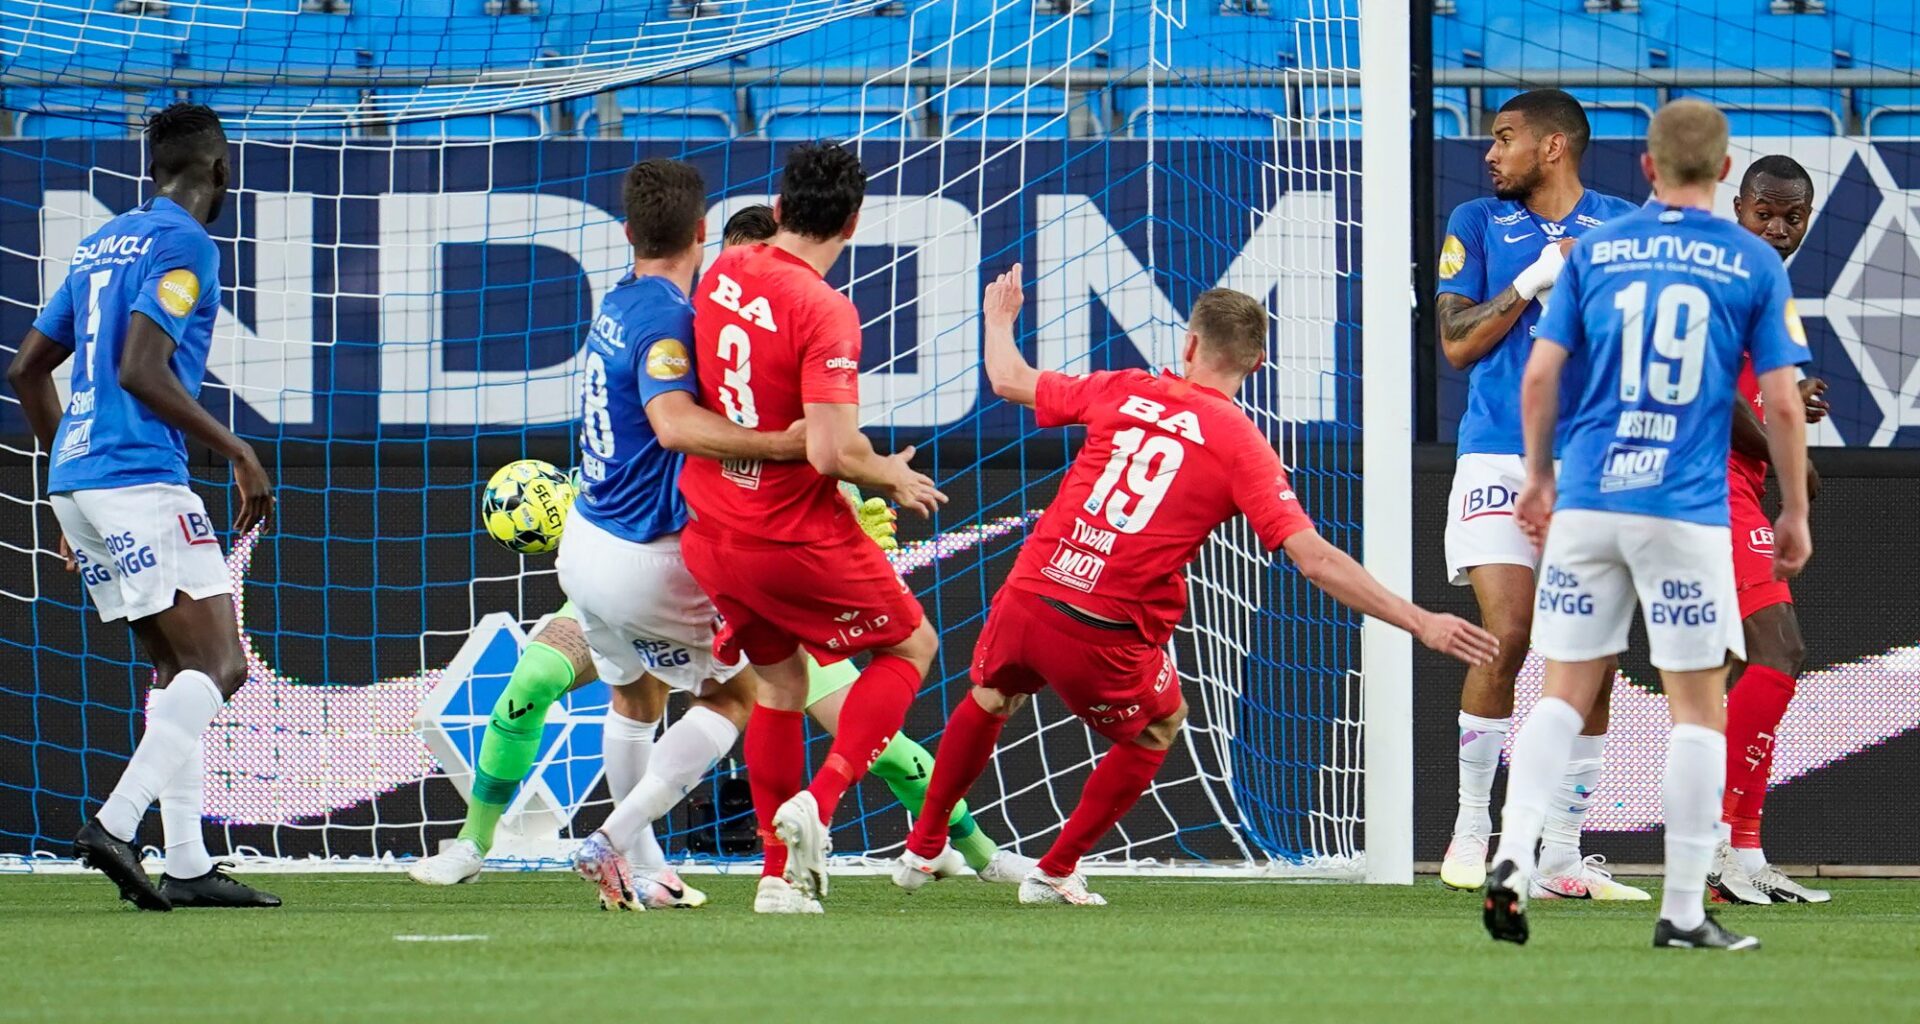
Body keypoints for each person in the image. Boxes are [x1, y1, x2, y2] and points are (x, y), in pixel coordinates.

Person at [893, 269, 1500, 905]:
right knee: (1161, 725)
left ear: (1189, 345)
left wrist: (999, 317)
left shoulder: (1125, 387)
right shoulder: (1244, 445)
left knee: (991, 696)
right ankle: (1054, 870)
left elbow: (1008, 379)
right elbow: (1315, 560)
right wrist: (1420, 621)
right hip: (1101, 627)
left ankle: (923, 845)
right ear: (1258, 364)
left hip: (1029, 591)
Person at [1486, 99, 1812, 950]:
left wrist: (1539, 478)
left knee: (1563, 692)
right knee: (1698, 709)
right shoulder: (1748, 261)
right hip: (1688, 503)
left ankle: (1513, 857)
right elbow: (1779, 400)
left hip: (1592, 495)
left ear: (1646, 168)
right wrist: (1798, 508)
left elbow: (1540, 376)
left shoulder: (1595, 249)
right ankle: (1681, 907)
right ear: (1726, 169)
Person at [6, 102, 278, 910]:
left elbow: (26, 370)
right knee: (222, 666)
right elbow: (140, 369)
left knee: (176, 669)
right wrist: (238, 450)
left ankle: (188, 863)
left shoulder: (100, 243)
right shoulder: (186, 243)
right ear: (218, 167)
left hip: (81, 482)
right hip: (138, 478)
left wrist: (66, 490)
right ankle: (117, 823)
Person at [677, 141, 947, 913]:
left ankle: (774, 879)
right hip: (789, 534)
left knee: (783, 683)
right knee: (912, 644)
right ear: (854, 223)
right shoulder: (826, 309)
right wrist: (888, 471)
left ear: (783, 209)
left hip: (712, 531)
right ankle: (820, 803)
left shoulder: (725, 269)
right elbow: (830, 451)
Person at [1433, 88, 1647, 900]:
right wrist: (1531, 282)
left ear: (1554, 147)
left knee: (1589, 651)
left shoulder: (1623, 225)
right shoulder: (1478, 223)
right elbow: (1455, 342)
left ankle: (1560, 850)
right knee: (1509, 632)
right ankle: (1470, 830)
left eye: (1504, 138)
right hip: (1496, 456)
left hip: (1591, 465)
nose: (1491, 154)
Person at [1708, 155, 1833, 906]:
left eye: (1793, 216)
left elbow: (1756, 389)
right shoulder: (1732, 275)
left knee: (1749, 669)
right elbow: (1718, 395)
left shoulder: (1764, 281)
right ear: (1739, 205)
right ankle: (1720, 844)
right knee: (1777, 651)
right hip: (1713, 485)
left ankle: (1741, 852)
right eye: (1766, 212)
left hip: (1736, 488)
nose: (1778, 228)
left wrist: (1794, 402)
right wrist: (1797, 476)